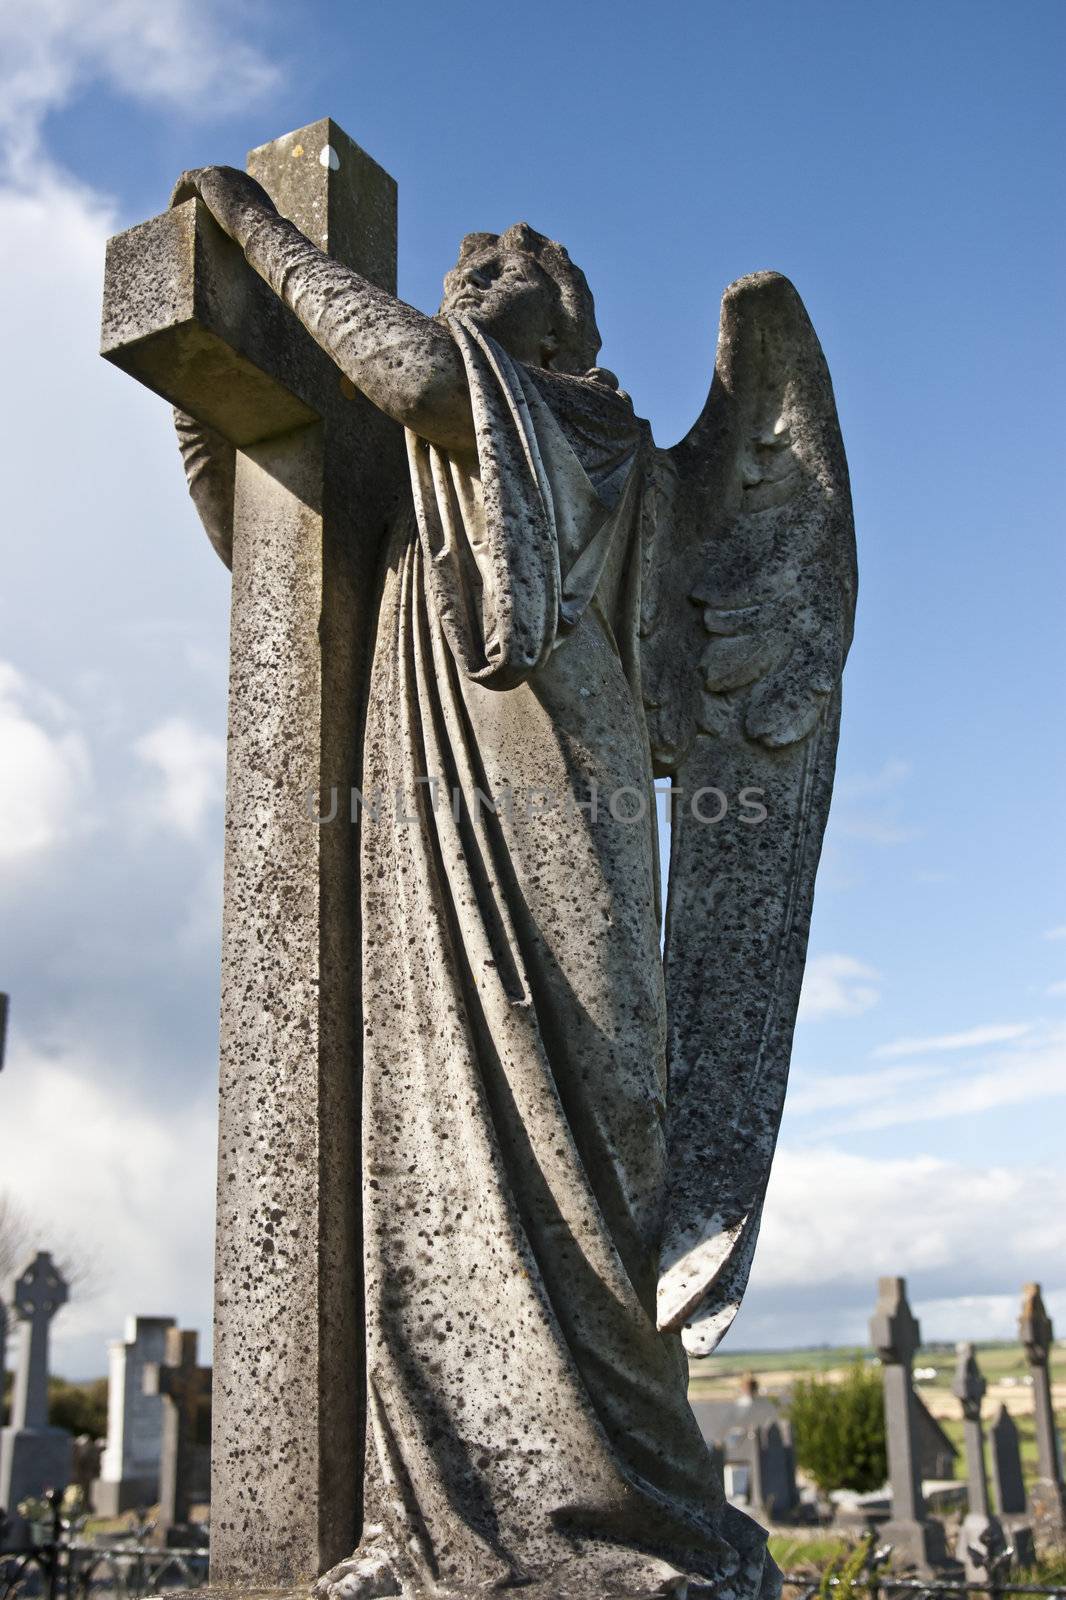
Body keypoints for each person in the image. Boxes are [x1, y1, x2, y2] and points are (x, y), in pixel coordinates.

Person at [173, 166, 775, 1600]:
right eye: (467, 260)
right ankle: (443, 1516)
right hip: (425, 832)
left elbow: (403, 364)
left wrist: (254, 240)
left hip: (555, 809)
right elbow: (283, 553)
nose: (473, 266)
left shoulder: (579, 431)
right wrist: (211, 398)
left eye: (513, 263)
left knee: (571, 1132)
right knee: (427, 1142)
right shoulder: (445, 469)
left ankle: (613, 1514)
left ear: (567, 329)